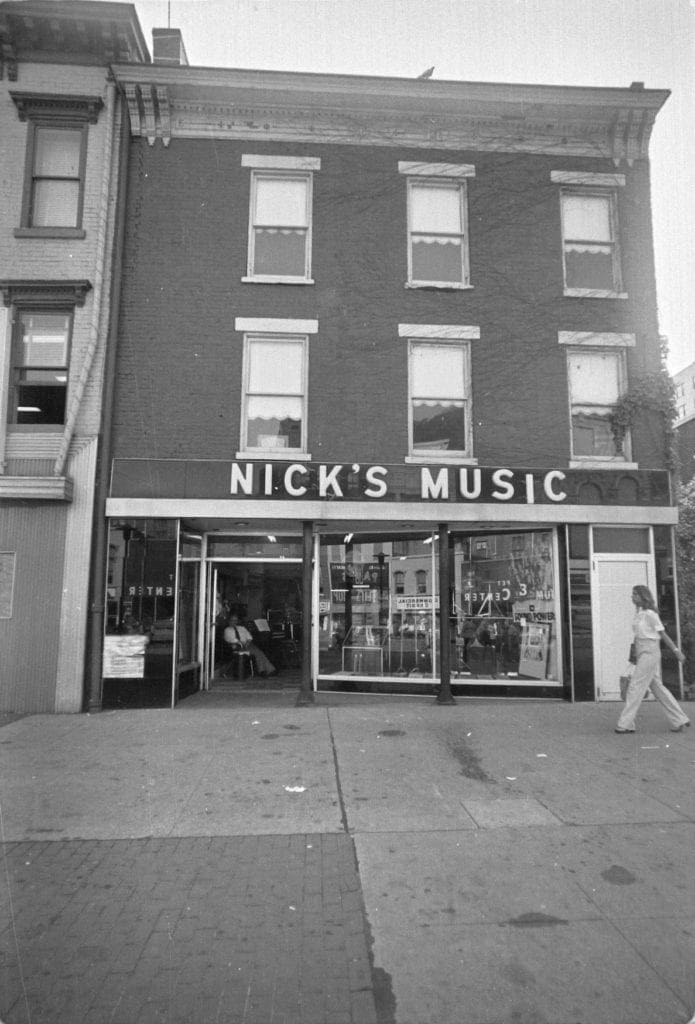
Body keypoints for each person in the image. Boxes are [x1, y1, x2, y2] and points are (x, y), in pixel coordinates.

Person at [615, 585, 690, 734]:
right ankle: (679, 719)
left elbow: (663, 635)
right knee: (657, 688)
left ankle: (625, 723)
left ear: (643, 596)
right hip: (642, 651)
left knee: (635, 686)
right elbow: (637, 636)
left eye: (635, 594)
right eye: (632, 594)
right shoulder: (639, 613)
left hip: (650, 651)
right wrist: (635, 655)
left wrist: (676, 652)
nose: (632, 597)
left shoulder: (650, 614)